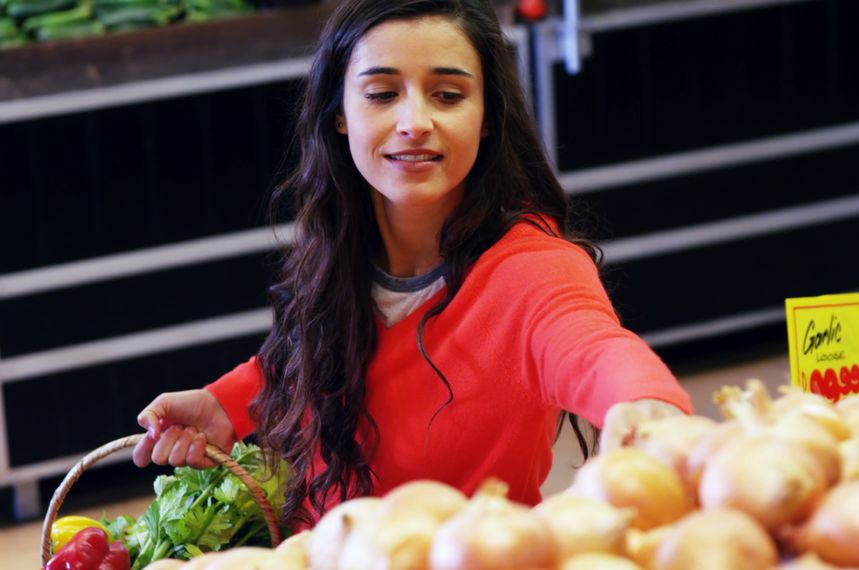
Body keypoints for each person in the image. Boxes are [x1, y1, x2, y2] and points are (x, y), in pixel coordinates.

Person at [132, 0, 692, 530]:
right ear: (340, 115)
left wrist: (643, 403)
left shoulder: (533, 268)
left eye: (447, 95)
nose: (414, 121)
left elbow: (591, 346)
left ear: (488, 117)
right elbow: (326, 355)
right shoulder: (341, 247)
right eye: (381, 94)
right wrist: (225, 405)